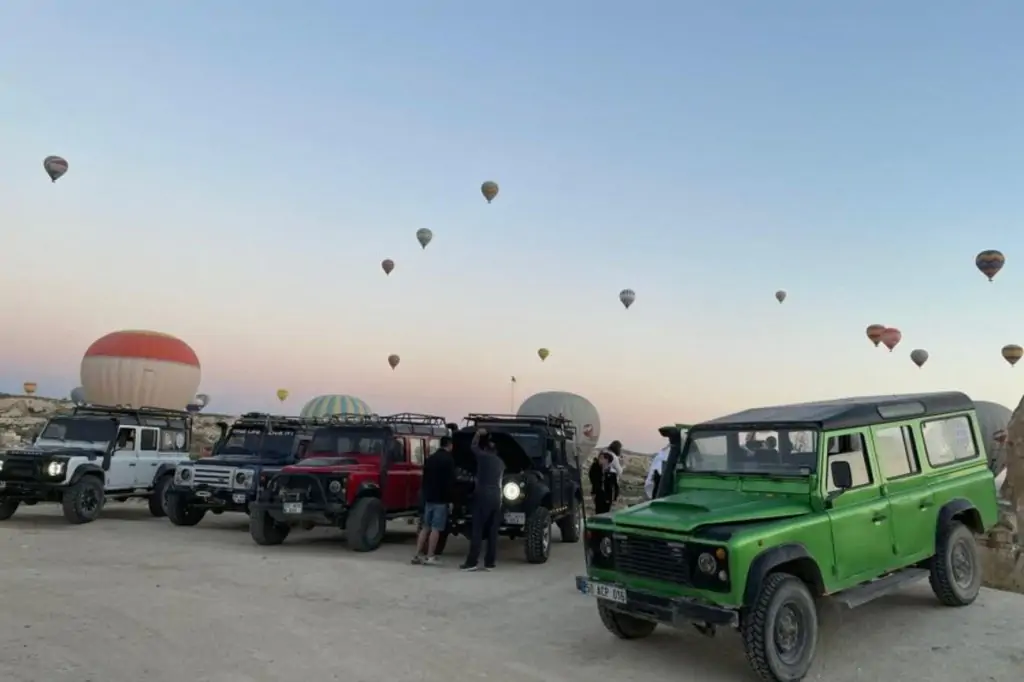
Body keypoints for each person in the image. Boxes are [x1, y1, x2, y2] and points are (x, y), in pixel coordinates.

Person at [460, 428, 505, 572]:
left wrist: (478, 434)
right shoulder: (501, 463)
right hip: (497, 497)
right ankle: (489, 563)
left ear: (486, 448)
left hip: (482, 495)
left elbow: (473, 446)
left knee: (477, 530)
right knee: (493, 532)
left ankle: (472, 562)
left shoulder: (483, 457)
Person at [412, 436, 456, 566]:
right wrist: (451, 500)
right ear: (449, 445)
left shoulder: (430, 459)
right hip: (440, 500)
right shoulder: (449, 460)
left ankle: (417, 555)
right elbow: (449, 482)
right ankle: (430, 556)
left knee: (425, 527)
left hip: (429, 498)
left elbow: (424, 480)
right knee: (436, 529)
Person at [645, 427, 680, 499]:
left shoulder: (679, 450)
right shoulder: (664, 451)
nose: (670, 439)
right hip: (659, 479)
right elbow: (654, 470)